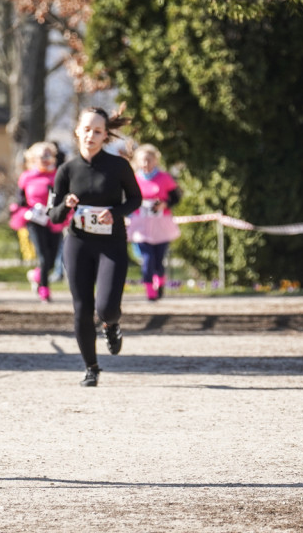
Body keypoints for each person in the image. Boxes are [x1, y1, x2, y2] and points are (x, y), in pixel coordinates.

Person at [48, 107, 142, 387]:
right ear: (77, 131)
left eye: (97, 131)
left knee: (106, 308)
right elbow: (53, 215)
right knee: (82, 308)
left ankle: (111, 325)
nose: (91, 135)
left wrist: (115, 211)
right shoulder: (66, 170)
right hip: (78, 244)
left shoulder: (118, 166)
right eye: (86, 129)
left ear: (105, 135)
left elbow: (135, 199)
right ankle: (91, 367)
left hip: (111, 244)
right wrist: (66, 204)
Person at [128, 144, 182, 301]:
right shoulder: (134, 179)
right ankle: (149, 290)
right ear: (137, 162)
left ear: (155, 160)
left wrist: (165, 204)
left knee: (159, 258)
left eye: (149, 160)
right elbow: (128, 199)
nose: (146, 164)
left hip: (161, 224)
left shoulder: (164, 178)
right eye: (143, 160)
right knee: (147, 258)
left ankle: (160, 283)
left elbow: (176, 197)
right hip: (141, 224)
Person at [14, 141, 66, 302]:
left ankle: (36, 275)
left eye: (48, 155)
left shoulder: (59, 175)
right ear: (34, 158)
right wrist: (26, 210)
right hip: (35, 220)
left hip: (54, 219)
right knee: (43, 257)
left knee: (51, 260)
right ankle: (44, 289)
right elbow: (20, 199)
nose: (45, 158)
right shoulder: (27, 176)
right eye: (42, 155)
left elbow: (64, 196)